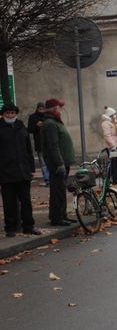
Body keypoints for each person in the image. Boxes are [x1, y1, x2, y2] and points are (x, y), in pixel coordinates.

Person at [0, 103, 41, 236]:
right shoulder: (0, 128)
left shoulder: (21, 126)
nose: (10, 115)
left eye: (12, 113)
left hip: (23, 171)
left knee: (26, 201)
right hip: (6, 172)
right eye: (7, 113)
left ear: (16, 114)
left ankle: (28, 226)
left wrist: (31, 167)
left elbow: (28, 149)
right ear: (3, 114)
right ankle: (10, 228)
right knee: (9, 203)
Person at [41, 98, 76, 227]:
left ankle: (62, 215)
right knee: (57, 191)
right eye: (59, 107)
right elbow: (53, 146)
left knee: (61, 190)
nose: (61, 110)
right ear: (54, 109)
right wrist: (59, 163)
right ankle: (57, 217)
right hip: (57, 164)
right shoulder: (50, 124)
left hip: (62, 162)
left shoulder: (55, 122)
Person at [27, 102, 49, 187]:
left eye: (43, 108)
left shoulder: (47, 117)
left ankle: (50, 179)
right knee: (43, 163)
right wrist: (37, 125)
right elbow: (29, 129)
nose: (41, 110)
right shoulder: (33, 117)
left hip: (48, 142)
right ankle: (47, 179)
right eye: (40, 109)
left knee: (49, 162)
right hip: (39, 143)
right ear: (37, 108)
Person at [101, 107, 117, 183]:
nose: (115, 116)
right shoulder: (106, 123)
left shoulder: (115, 122)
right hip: (113, 148)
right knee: (114, 165)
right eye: (113, 114)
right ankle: (114, 180)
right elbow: (107, 135)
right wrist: (113, 145)